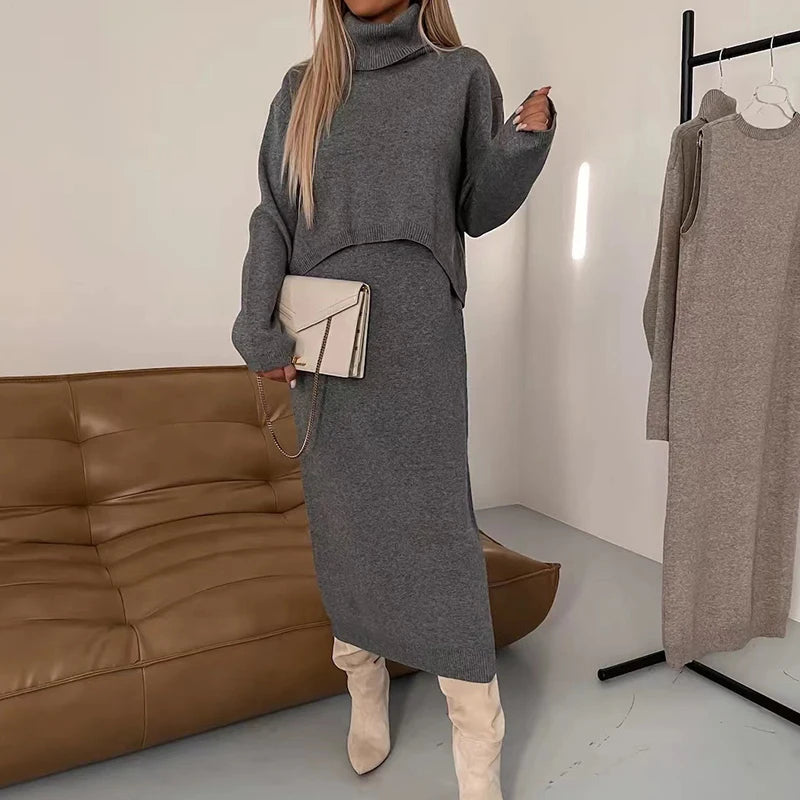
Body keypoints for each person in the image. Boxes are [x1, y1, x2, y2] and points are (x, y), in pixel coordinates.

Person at [231, 1, 555, 796]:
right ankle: (364, 681)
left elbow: (476, 208)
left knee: (437, 532)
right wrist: (255, 322)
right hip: (325, 343)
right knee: (345, 524)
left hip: (419, 340)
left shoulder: (460, 75)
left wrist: (523, 143)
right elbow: (274, 215)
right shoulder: (303, 88)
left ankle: (477, 730)